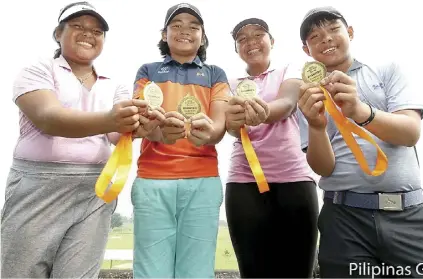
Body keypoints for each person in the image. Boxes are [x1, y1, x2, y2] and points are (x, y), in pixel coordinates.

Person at [0, 2, 154, 278]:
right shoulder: (39, 70)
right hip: (39, 186)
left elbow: (118, 134)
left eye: (97, 31)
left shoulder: (113, 84)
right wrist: (112, 119)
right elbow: (48, 117)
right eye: (78, 26)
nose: (88, 34)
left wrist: (145, 125)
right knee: (22, 271)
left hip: (96, 188)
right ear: (58, 33)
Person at [298, 6, 423, 278]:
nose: (326, 39)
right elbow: (323, 168)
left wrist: (360, 111)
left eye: (333, 29)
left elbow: (410, 132)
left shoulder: (386, 71)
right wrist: (317, 127)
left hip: (409, 213)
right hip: (343, 217)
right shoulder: (308, 93)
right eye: (315, 36)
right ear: (307, 50)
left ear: (350, 32)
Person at [130, 3, 230, 278]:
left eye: (193, 27)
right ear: (164, 34)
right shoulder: (147, 71)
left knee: (197, 272)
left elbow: (219, 128)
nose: (185, 31)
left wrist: (208, 134)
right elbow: (141, 121)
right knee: (150, 271)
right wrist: (158, 133)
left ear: (203, 36)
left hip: (203, 181)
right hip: (152, 179)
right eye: (177, 25)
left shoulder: (215, 74)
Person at [225, 18, 319, 278]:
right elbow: (232, 128)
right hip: (244, 180)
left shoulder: (290, 69)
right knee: (252, 270)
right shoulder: (229, 82)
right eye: (242, 39)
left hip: (294, 177)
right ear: (236, 49)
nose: (251, 42)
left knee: (299, 269)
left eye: (258, 35)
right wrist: (234, 121)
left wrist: (256, 112)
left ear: (271, 41)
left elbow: (287, 104)